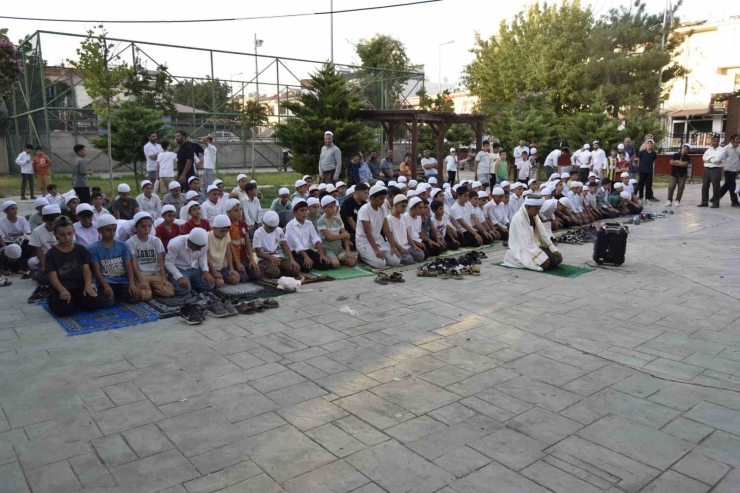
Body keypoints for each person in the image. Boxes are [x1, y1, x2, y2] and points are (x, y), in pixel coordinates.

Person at [44, 216, 109, 316]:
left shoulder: (81, 249)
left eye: (69, 234)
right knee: (64, 311)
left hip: (79, 286)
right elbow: (52, 276)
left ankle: (76, 301)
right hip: (62, 287)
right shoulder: (51, 254)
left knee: (94, 304)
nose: (67, 238)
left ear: (73, 232)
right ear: (55, 234)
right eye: (62, 235)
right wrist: (62, 290)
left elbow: (87, 270)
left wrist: (88, 286)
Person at [89, 214, 141, 303]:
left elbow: (128, 266)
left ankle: (117, 296)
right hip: (106, 282)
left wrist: (132, 284)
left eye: (114, 230)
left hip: (122, 281)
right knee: (108, 302)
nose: (112, 233)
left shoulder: (123, 245)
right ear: (99, 230)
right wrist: (106, 286)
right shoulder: (93, 248)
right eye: (108, 230)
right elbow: (97, 270)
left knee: (135, 297)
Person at [504, 194, 562, 271]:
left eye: (539, 209)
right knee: (545, 264)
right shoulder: (519, 218)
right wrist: (541, 257)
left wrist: (553, 249)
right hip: (522, 248)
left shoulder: (534, 215)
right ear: (528, 207)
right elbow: (526, 243)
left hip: (534, 246)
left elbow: (543, 233)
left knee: (557, 259)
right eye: (536, 209)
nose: (538, 212)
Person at [126, 211, 174, 300]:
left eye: (149, 226)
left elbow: (161, 260)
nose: (147, 229)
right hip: (141, 275)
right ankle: (149, 290)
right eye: (143, 226)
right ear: (136, 227)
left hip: (155, 274)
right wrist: (140, 279)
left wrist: (164, 278)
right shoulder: (131, 242)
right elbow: (133, 263)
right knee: (144, 296)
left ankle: (154, 289)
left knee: (169, 292)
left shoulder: (155, 240)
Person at [356, 184, 401, 268]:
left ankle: (370, 255)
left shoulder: (382, 208)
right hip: (364, 241)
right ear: (372, 198)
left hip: (378, 240)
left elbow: (386, 229)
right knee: (380, 264)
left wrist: (393, 246)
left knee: (396, 261)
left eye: (384, 198)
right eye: (381, 198)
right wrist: (376, 250)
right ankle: (363, 256)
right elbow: (367, 232)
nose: (383, 201)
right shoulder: (364, 210)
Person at [285, 198, 332, 271]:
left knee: (326, 264)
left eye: (306, 210)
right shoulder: (290, 225)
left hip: (308, 250)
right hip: (297, 253)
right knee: (306, 267)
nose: (305, 213)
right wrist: (306, 257)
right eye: (302, 210)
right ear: (294, 212)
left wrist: (321, 254)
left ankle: (312, 263)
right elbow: (297, 244)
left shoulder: (308, 223)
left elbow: (315, 238)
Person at [165, 228, 214, 296]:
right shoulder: (175, 244)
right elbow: (169, 263)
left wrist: (205, 271)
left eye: (201, 247)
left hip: (195, 268)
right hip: (179, 269)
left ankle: (190, 283)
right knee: (184, 290)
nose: (199, 249)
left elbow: (203, 257)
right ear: (188, 241)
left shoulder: (203, 244)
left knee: (210, 285)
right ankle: (181, 282)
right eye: (197, 247)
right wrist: (179, 277)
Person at [253, 211, 301, 279]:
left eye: (274, 227)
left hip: (279, 257)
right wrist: (270, 257)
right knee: (274, 272)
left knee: (295, 269)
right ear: (264, 224)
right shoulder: (258, 233)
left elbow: (285, 245)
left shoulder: (279, 230)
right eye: (270, 228)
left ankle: (278, 271)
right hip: (265, 259)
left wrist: (292, 259)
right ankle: (272, 270)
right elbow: (258, 253)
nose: (273, 230)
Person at [224, 198, 262, 282]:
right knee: (243, 278)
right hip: (233, 259)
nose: (239, 212)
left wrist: (252, 259)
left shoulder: (243, 224)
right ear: (228, 212)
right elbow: (230, 247)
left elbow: (248, 243)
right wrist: (237, 263)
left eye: (240, 209)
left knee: (257, 275)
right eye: (236, 210)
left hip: (244, 258)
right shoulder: (228, 226)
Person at [317, 195, 357, 268]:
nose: (333, 209)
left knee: (353, 262)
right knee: (336, 264)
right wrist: (344, 235)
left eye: (334, 206)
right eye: (330, 207)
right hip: (327, 248)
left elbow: (346, 238)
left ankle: (339, 258)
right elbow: (329, 237)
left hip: (338, 248)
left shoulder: (338, 219)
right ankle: (335, 259)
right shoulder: (321, 221)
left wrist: (347, 251)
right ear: (323, 208)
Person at [206, 214, 241, 289]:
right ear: (214, 228)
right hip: (211, 268)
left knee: (235, 279)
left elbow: (228, 252)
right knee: (219, 283)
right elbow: (207, 257)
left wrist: (231, 269)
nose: (224, 233)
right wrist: (214, 271)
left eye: (226, 231)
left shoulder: (226, 234)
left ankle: (222, 277)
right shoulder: (207, 236)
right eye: (222, 231)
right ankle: (218, 278)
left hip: (222, 267)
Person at [386, 194, 419, 265]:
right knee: (409, 260)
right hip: (396, 246)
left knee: (421, 255)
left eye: (405, 207)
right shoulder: (389, 219)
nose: (404, 209)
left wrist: (414, 245)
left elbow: (407, 234)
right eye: (402, 206)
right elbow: (390, 238)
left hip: (406, 245)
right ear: (395, 205)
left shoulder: (403, 217)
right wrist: (400, 248)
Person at [340, 182, 367, 248]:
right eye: (365, 193)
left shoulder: (364, 203)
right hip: (349, 231)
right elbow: (349, 220)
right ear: (358, 193)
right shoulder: (348, 202)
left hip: (361, 230)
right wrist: (361, 233)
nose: (367, 195)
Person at [719, 134, 740, 207]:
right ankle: (734, 202)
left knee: (727, 185)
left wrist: (736, 148)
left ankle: (715, 198)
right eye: (737, 139)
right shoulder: (726, 148)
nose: (738, 141)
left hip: (736, 169)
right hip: (729, 169)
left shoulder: (738, 147)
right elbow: (721, 157)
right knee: (732, 185)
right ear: (732, 140)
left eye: (738, 139)